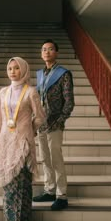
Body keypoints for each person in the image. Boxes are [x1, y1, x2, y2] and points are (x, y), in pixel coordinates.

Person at [0, 57, 45, 221]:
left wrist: (29, 129)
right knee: (8, 183)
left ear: (24, 70)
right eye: (10, 68)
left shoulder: (30, 92)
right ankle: (10, 220)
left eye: (16, 68)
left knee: (21, 184)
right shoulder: (3, 92)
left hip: (23, 143)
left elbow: (40, 117)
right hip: (5, 142)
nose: (12, 71)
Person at [33, 39, 75, 211]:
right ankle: (49, 190)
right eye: (44, 49)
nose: (47, 52)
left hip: (55, 123)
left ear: (56, 53)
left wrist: (60, 120)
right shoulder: (40, 75)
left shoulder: (64, 74)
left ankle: (61, 195)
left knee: (56, 159)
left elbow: (69, 101)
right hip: (41, 124)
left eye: (50, 49)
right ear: (41, 54)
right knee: (44, 158)